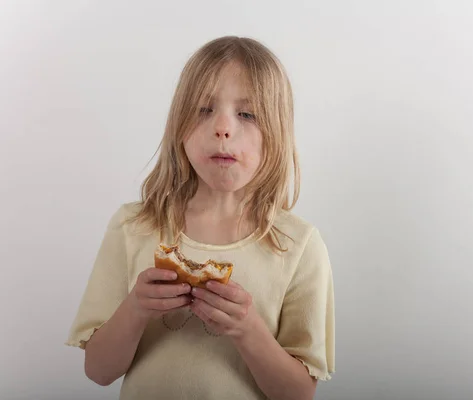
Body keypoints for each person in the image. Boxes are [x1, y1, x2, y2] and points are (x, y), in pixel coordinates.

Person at [65, 36, 335, 400]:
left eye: (247, 114)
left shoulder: (298, 246)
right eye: (204, 109)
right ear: (179, 126)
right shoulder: (133, 227)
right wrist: (136, 309)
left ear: (277, 133)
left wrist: (247, 329)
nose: (222, 127)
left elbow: (299, 394)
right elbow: (98, 371)